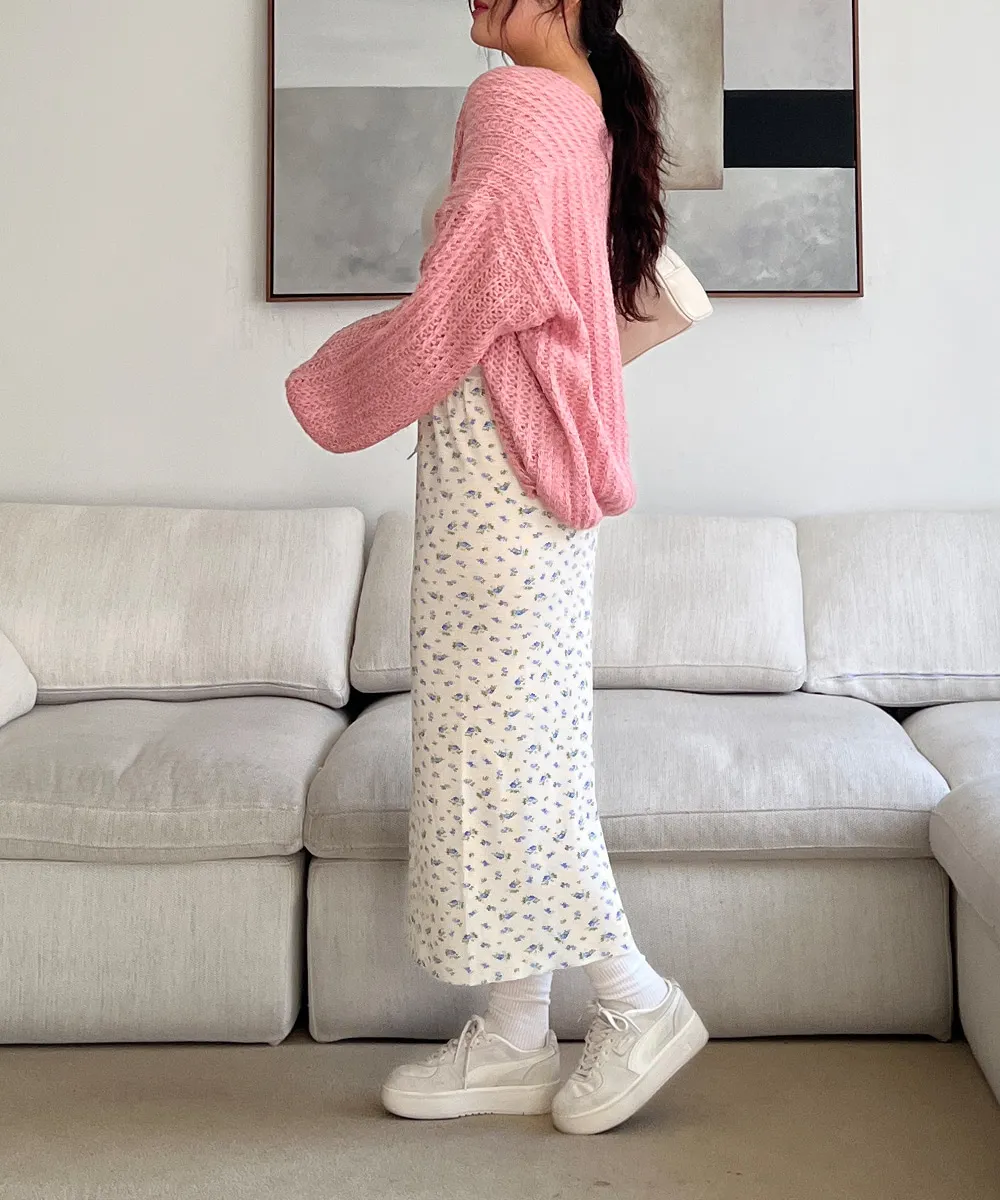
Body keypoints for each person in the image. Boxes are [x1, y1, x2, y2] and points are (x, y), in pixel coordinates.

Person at [284, 0, 708, 1135]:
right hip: (537, 482)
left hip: (498, 475)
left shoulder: (513, 100)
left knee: (501, 759)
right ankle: (519, 1033)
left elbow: (465, 297)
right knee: (516, 748)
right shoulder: (586, 113)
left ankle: (637, 1001)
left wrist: (335, 383)